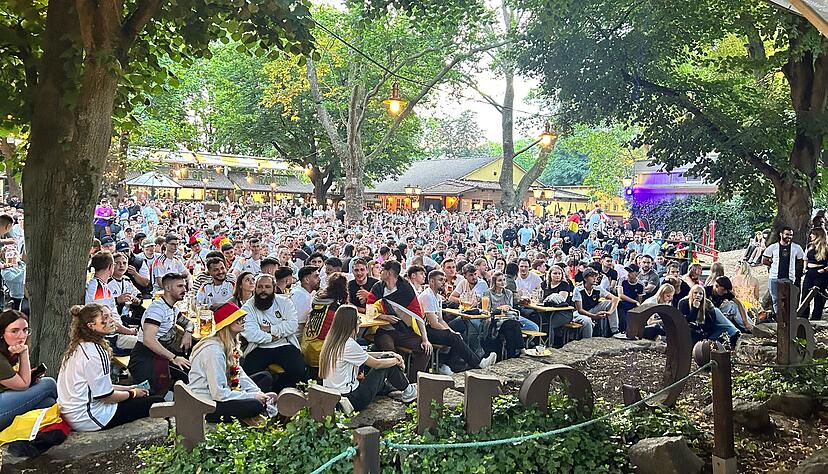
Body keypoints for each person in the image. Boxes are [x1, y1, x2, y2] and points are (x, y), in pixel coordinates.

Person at [57, 304, 163, 431]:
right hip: (88, 417)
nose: (112, 321)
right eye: (105, 318)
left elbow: (99, 387)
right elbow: (106, 397)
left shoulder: (79, 345)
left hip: (72, 413)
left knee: (145, 394)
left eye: (110, 316)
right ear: (91, 326)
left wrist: (129, 388)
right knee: (157, 401)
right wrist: (133, 393)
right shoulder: (95, 352)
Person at [189, 302, 277, 422]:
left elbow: (238, 373)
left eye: (242, 318)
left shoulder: (228, 343)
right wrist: (252, 397)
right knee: (254, 406)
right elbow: (218, 394)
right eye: (238, 320)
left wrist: (257, 392)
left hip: (225, 389)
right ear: (227, 324)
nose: (243, 321)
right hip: (206, 403)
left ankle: (262, 399)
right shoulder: (214, 351)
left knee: (265, 377)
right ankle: (260, 403)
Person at [319, 305, 416, 413]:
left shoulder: (333, 339)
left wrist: (388, 354)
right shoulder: (348, 344)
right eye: (358, 318)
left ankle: (390, 388)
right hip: (352, 399)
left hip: (335, 396)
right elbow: (377, 364)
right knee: (386, 366)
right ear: (352, 323)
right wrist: (396, 361)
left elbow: (363, 354)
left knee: (386, 357)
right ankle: (408, 391)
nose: (360, 321)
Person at [418, 270, 496, 375]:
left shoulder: (437, 297)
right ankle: (478, 363)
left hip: (431, 328)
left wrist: (451, 331)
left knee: (459, 331)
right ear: (431, 281)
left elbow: (440, 320)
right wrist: (451, 333)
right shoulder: (427, 296)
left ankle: (446, 365)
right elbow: (434, 323)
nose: (444, 282)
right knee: (454, 337)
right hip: (423, 330)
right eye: (440, 280)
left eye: (444, 280)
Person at [128, 273, 192, 395]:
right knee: (155, 397)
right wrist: (174, 357)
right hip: (144, 358)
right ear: (167, 288)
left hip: (159, 356)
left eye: (184, 286)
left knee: (185, 376)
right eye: (180, 286)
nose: (184, 289)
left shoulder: (172, 308)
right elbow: (148, 340)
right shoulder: (157, 309)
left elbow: (189, 323)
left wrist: (188, 332)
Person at [366, 260, 430, 380]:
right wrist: (384, 316)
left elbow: (417, 314)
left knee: (425, 349)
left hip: (403, 331)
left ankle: (412, 382)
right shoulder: (378, 287)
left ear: (389, 273)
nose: (380, 272)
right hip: (383, 330)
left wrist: (425, 339)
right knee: (391, 354)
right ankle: (397, 383)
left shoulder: (405, 288)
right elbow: (368, 308)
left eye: (382, 269)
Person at [241, 274, 307, 391]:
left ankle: (281, 394)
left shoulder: (285, 302)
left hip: (284, 344)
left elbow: (292, 325)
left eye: (267, 287)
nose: (263, 290)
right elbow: (251, 334)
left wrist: (270, 329)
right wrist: (272, 338)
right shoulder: (248, 307)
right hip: (259, 347)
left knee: (298, 370)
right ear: (255, 288)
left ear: (274, 288)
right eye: (260, 287)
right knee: (248, 374)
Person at [0, 310, 57, 430]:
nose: (22, 336)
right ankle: (76, 414)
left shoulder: (7, 350)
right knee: (49, 383)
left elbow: (17, 381)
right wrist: (24, 352)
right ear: (1, 333)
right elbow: (23, 384)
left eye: (25, 330)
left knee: (48, 403)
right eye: (14, 331)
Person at [763, 227, 806, 315]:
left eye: (790, 235)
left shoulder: (796, 248)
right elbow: (764, 260)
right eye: (786, 234)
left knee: (788, 299)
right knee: (775, 299)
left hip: (789, 277)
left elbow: (801, 260)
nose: (789, 237)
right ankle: (778, 317)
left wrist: (794, 268)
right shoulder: (773, 247)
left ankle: (787, 317)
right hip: (774, 277)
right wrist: (773, 265)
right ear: (781, 234)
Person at [572, 268, 620, 337]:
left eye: (595, 276)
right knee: (587, 320)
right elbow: (580, 310)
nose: (594, 278)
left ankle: (615, 330)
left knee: (610, 303)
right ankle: (588, 340)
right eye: (592, 276)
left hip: (592, 309)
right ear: (585, 279)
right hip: (579, 313)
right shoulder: (578, 289)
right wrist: (594, 316)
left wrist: (610, 312)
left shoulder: (597, 288)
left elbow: (615, 298)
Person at [802, 226, 828, 321]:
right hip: (810, 272)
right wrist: (805, 268)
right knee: (805, 294)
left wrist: (824, 270)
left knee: (818, 296)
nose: (811, 236)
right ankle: (803, 316)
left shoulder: (826, 247)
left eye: (813, 234)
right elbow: (805, 258)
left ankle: (816, 318)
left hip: (821, 273)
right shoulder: (810, 246)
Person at [292, 266, 320, 336]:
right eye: (316, 277)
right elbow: (302, 323)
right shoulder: (302, 295)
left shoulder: (302, 292)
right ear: (307, 280)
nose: (319, 279)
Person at [617, 264, 644, 333]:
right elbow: (620, 295)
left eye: (631, 272)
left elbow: (639, 300)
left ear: (637, 273)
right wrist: (634, 301)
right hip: (623, 303)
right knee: (623, 316)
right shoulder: (622, 280)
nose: (629, 274)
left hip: (633, 306)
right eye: (628, 271)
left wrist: (637, 304)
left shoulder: (641, 285)